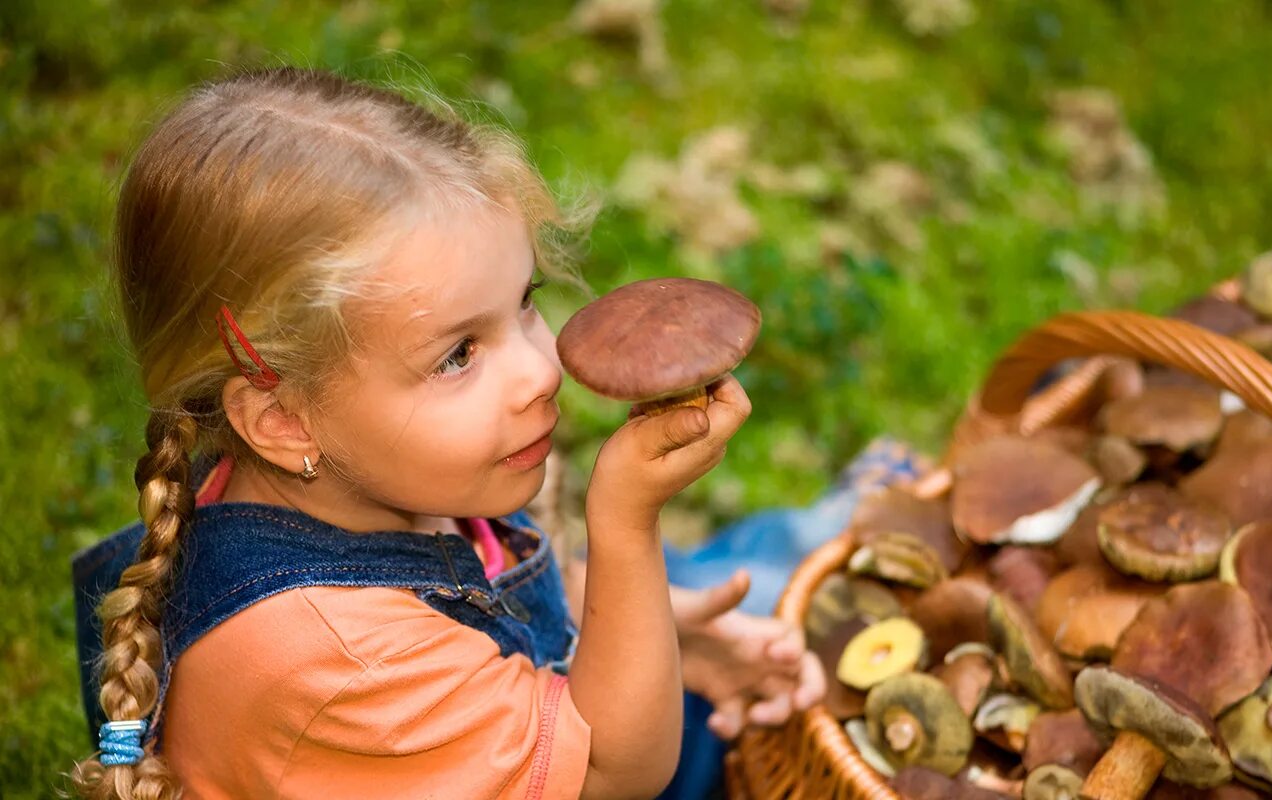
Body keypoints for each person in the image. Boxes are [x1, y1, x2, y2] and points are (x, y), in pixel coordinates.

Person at [68, 67, 823, 800]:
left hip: (547, 716)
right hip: (601, 754)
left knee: (801, 597)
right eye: (458, 353)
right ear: (282, 420)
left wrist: (661, 638)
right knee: (801, 562)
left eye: (526, 300)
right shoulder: (335, 663)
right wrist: (626, 525)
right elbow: (613, 774)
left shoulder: (394, 473)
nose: (539, 368)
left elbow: (497, 591)